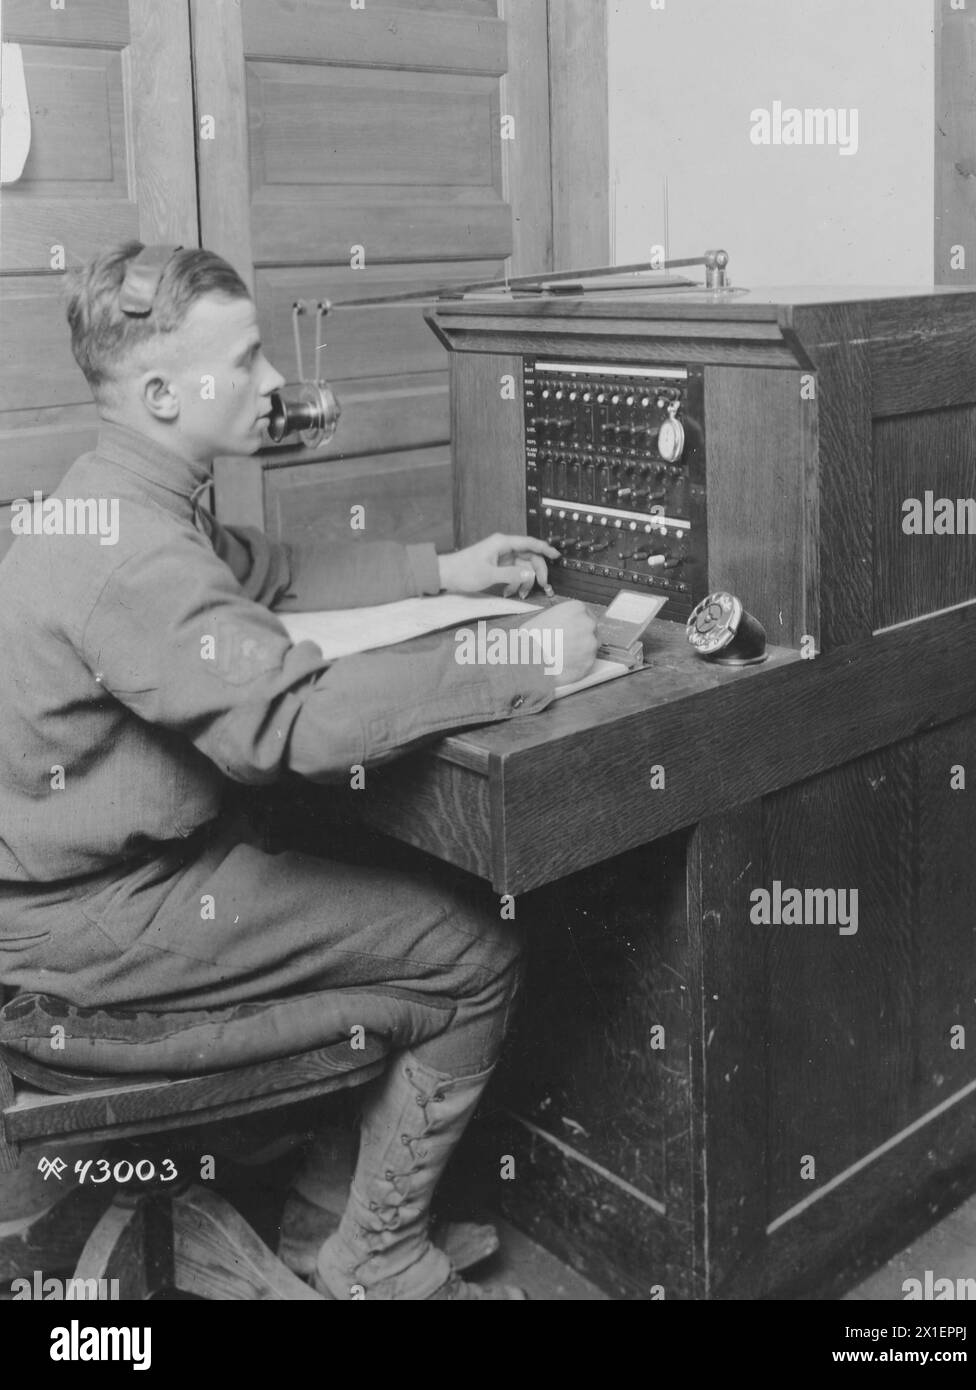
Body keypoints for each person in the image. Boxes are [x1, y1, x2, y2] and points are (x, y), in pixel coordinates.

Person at [0, 242, 599, 1300]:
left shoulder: (120, 500)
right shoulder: (132, 554)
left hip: (78, 891)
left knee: (364, 872)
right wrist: (519, 656)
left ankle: (330, 1219)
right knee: (476, 950)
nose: (273, 383)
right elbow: (292, 726)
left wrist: (441, 573)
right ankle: (372, 1252)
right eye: (243, 361)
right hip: (86, 928)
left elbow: (269, 573)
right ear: (159, 391)